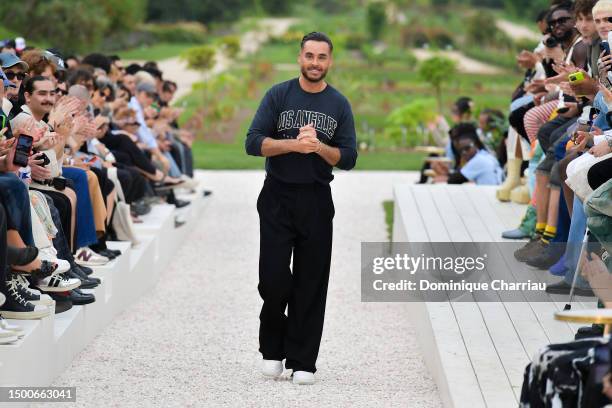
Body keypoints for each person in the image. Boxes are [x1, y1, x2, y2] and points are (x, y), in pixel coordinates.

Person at [245, 31, 357, 385]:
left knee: (311, 281)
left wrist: (318, 148)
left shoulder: (339, 104)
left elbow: (349, 158)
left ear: (330, 61)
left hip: (316, 199)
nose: (314, 63)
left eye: (322, 57)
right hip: (277, 196)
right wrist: (294, 145)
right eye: (309, 56)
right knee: (274, 280)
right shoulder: (279, 94)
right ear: (299, 58)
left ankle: (303, 360)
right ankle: (272, 350)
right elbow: (253, 143)